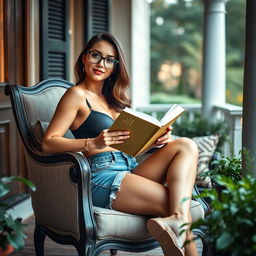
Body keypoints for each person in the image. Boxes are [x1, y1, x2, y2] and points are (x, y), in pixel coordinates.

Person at [42, 32, 199, 256]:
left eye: (109, 59)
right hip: (100, 174)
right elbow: (48, 143)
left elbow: (127, 147)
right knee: (178, 204)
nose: (101, 64)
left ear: (115, 66)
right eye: (95, 55)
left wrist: (156, 141)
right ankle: (182, 231)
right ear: (84, 57)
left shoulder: (114, 99)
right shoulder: (76, 95)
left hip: (128, 166)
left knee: (185, 145)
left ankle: (175, 221)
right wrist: (92, 143)